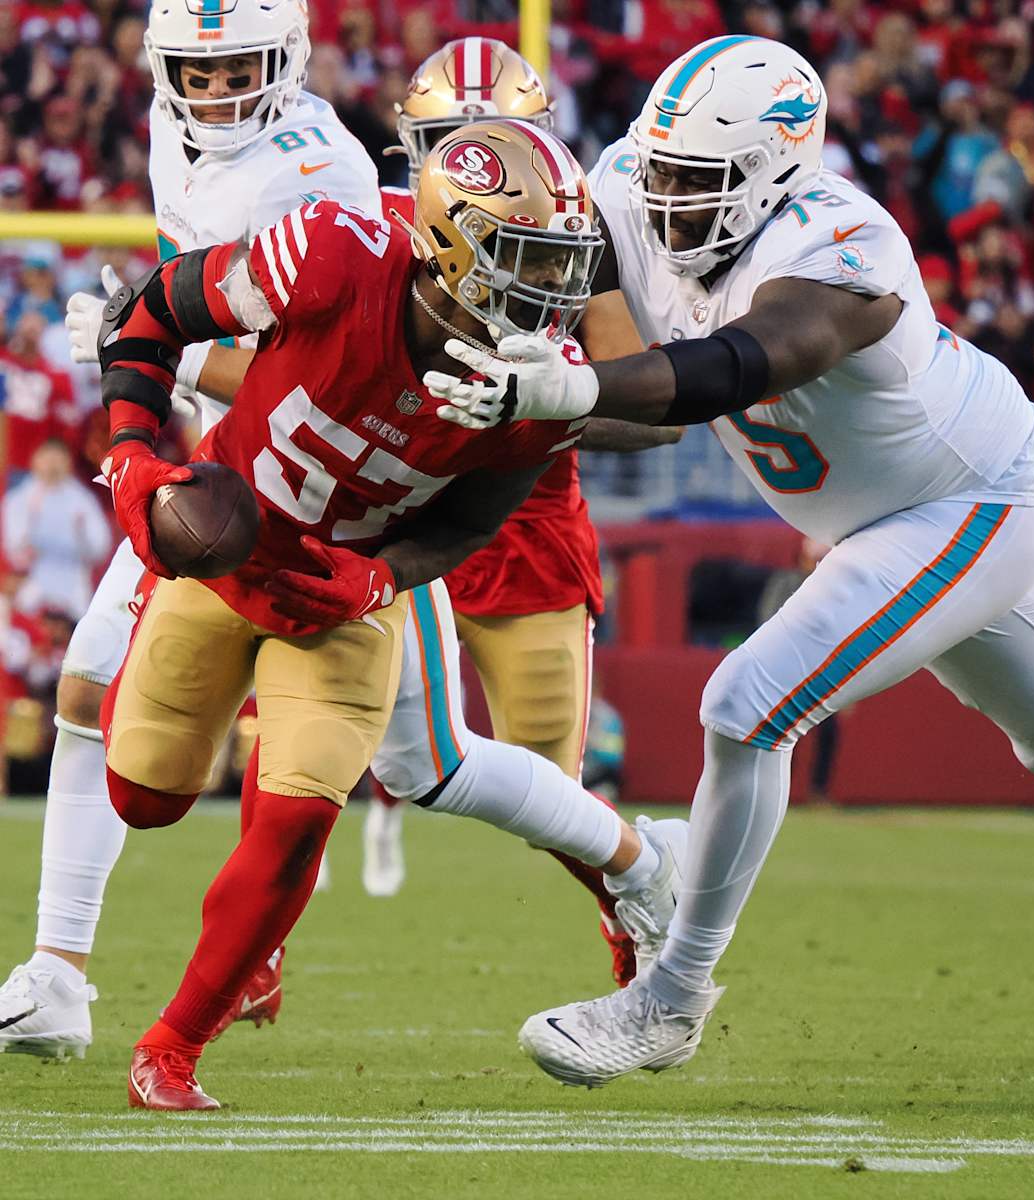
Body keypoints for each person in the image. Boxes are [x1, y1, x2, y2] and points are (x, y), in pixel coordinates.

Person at [429, 35, 1034, 1088]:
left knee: (746, 703)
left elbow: (740, 364)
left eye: (695, 181)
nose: (664, 200)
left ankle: (671, 999)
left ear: (773, 173)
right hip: (893, 515)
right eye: (658, 170)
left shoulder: (842, 246)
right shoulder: (629, 190)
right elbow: (635, 396)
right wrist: (509, 396)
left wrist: (574, 391)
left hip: (967, 498)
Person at [94, 119, 685, 1110]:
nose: (550, 288)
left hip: (341, 595)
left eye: (560, 261)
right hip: (223, 548)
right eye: (525, 258)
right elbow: (155, 310)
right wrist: (130, 455)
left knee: (300, 814)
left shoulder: (531, 382)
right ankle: (633, 866)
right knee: (142, 798)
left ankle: (173, 1045)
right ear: (449, 244)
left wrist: (376, 581)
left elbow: (467, 526)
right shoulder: (333, 254)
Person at [0, 0, 382, 1061]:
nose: (214, 93)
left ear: (287, 61)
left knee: (434, 763)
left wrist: (144, 343)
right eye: (196, 72)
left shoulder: (313, 177)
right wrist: (149, 342)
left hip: (301, 478)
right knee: (88, 689)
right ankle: (61, 973)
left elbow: (314, 387)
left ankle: (633, 868)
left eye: (238, 69)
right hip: (224, 459)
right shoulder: (179, 132)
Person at [385, 36, 679, 976]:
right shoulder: (374, 230)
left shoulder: (573, 232)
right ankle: (254, 955)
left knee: (548, 796)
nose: (474, 167)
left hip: (526, 535)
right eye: (448, 144)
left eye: (490, 139)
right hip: (397, 521)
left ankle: (634, 894)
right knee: (319, 744)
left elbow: (656, 413)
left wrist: (543, 404)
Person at [1, 436, 111, 620]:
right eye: (47, 459)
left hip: (73, 588)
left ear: (68, 463)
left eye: (57, 460)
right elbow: (14, 545)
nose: (52, 466)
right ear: (35, 461)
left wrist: (77, 538)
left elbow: (100, 547)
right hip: (31, 586)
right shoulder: (19, 499)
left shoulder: (83, 501)